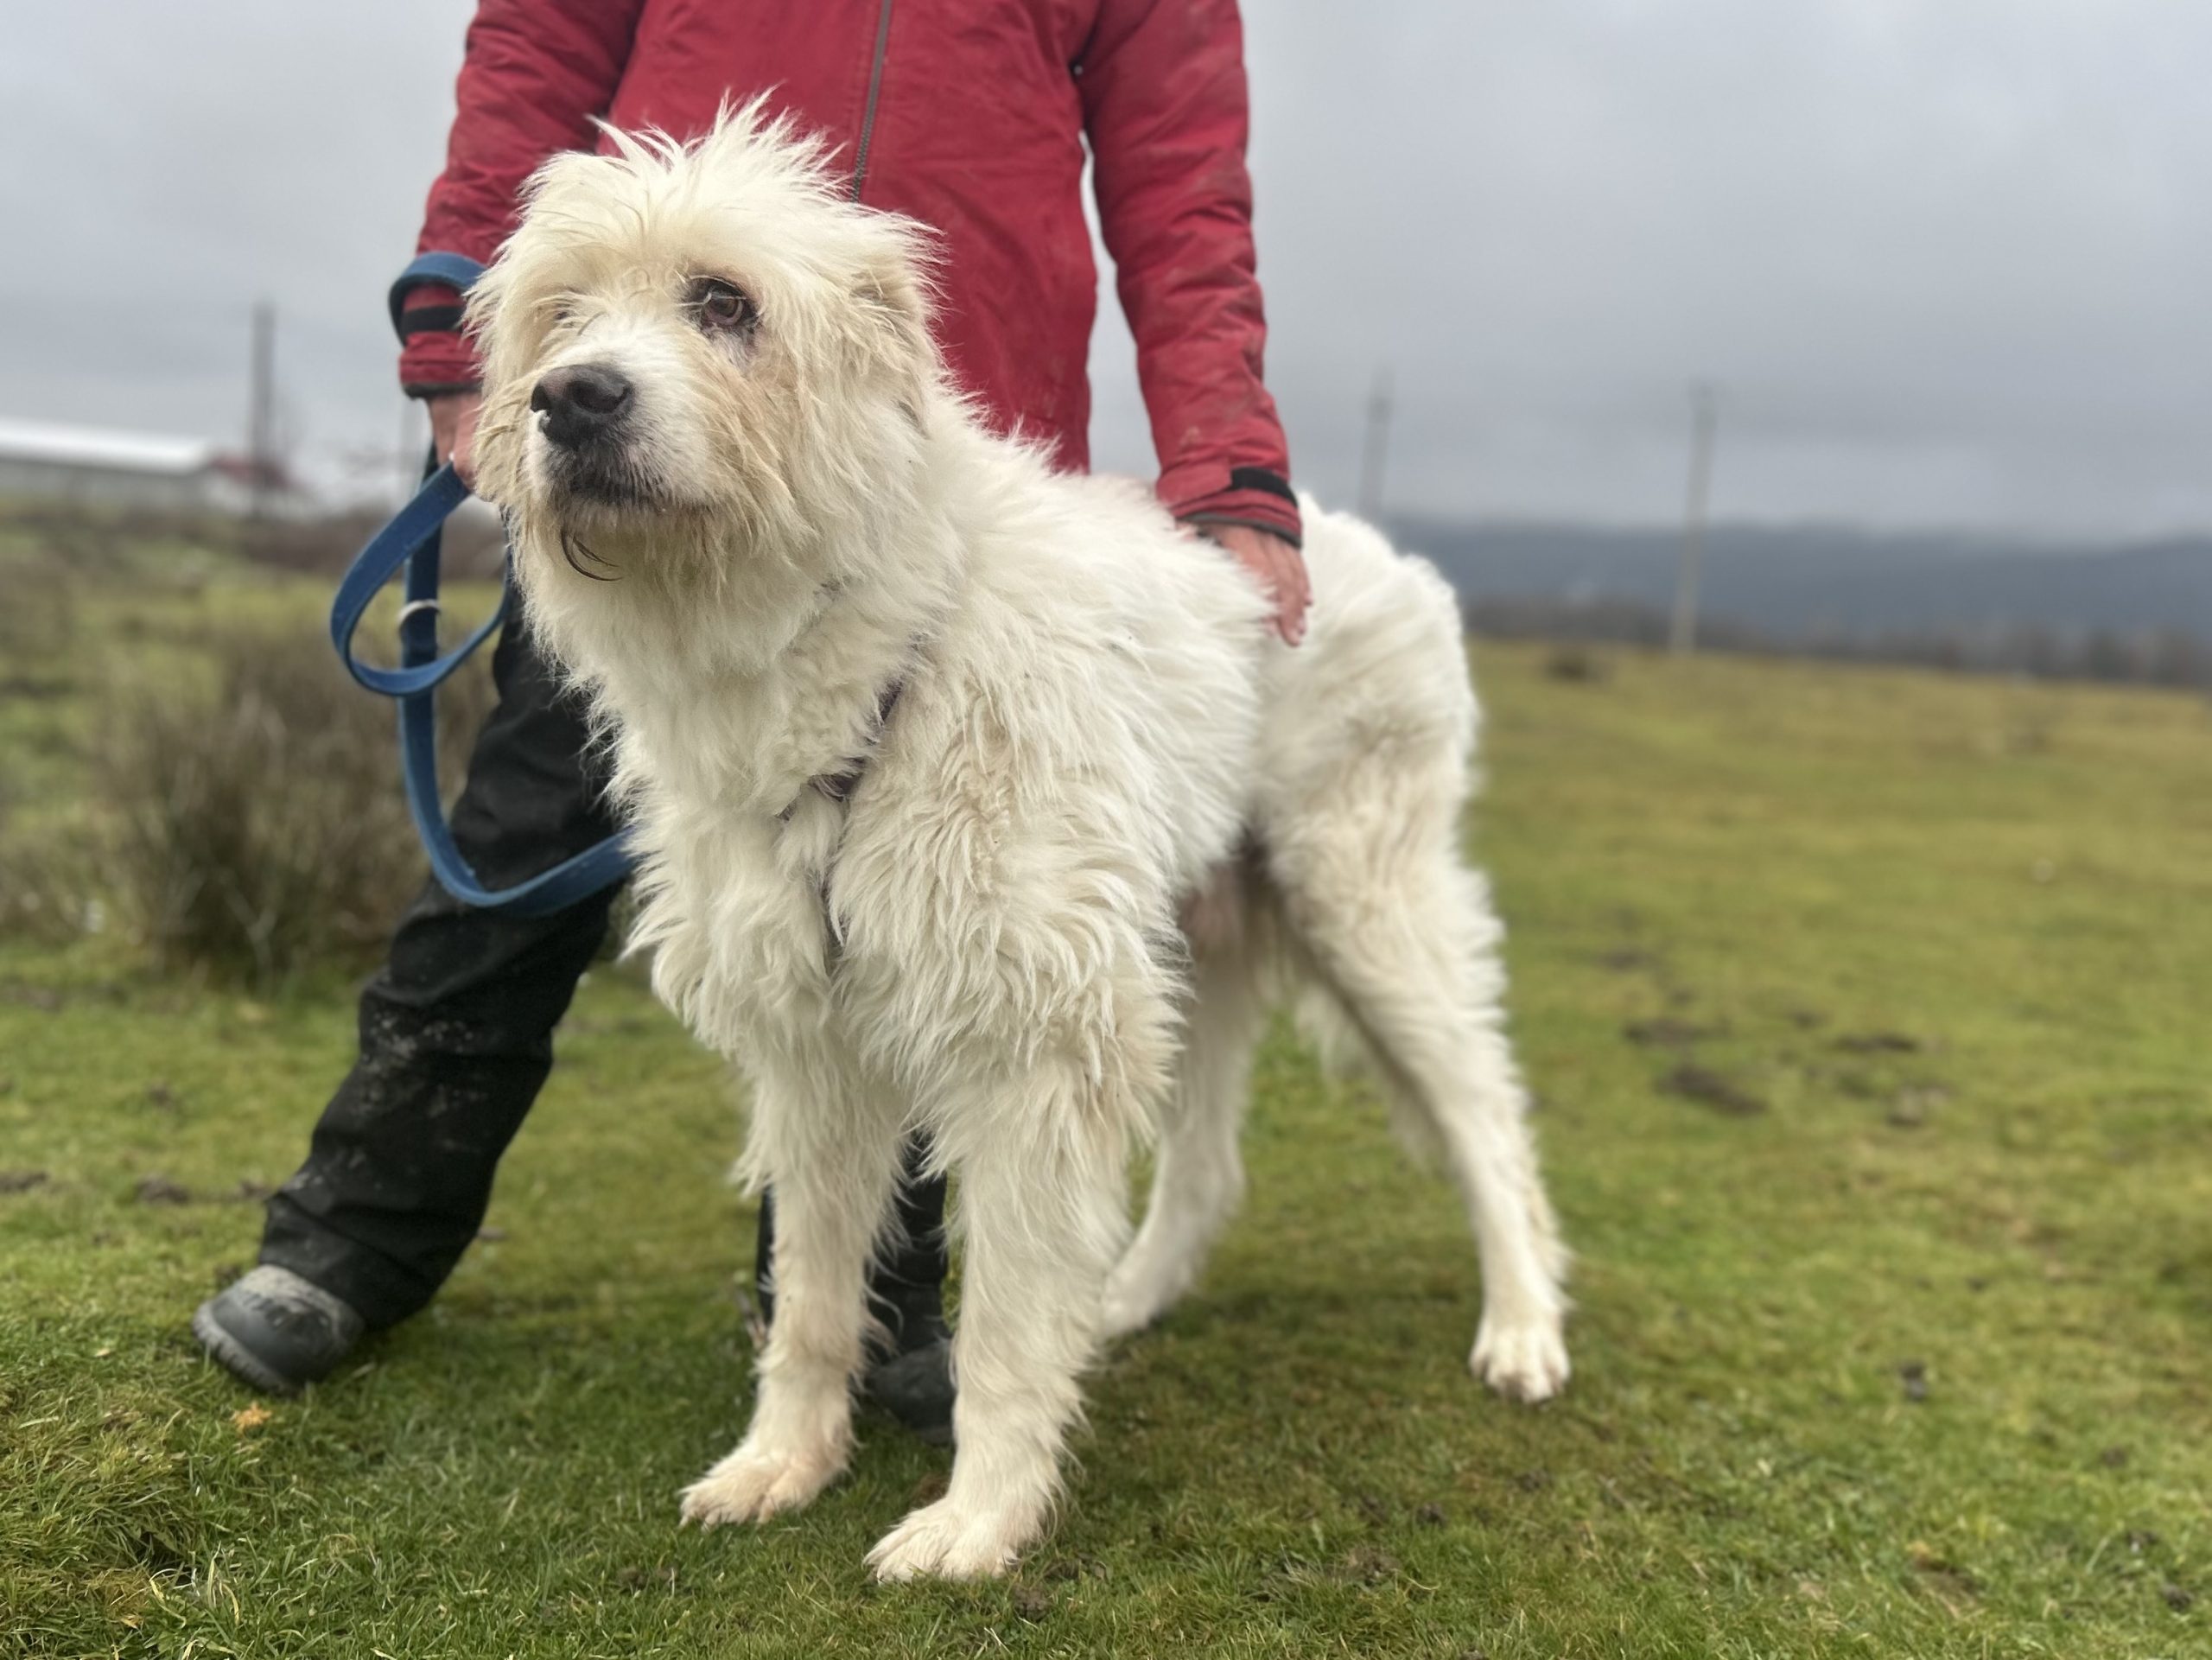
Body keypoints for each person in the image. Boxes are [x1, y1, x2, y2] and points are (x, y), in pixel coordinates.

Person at [194, 0, 1311, 1441]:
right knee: (522, 840)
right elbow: (537, 41)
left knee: (955, 917)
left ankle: (862, 1306)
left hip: (940, 448)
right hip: (632, 386)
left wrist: (1227, 466)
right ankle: (355, 1230)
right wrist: (466, 313)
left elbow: (1180, 171)